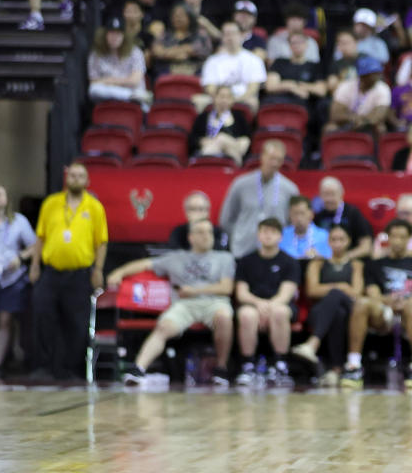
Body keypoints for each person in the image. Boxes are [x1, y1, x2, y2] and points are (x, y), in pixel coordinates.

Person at [108, 219, 234, 387]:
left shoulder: (224, 258)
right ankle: (138, 369)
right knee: (164, 326)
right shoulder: (176, 258)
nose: (207, 236)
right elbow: (145, 264)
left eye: (210, 232)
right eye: (201, 232)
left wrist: (194, 290)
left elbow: (226, 288)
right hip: (185, 305)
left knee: (224, 318)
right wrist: (119, 272)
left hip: (214, 302)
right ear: (191, 238)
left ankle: (221, 368)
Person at [29, 162, 108, 380]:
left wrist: (98, 270)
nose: (75, 179)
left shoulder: (94, 207)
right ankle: (42, 367)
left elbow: (101, 242)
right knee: (42, 316)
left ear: (87, 181)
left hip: (80, 273)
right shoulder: (51, 204)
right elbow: (40, 236)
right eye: (72, 175)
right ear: (66, 179)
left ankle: (72, 370)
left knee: (76, 323)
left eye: (80, 176)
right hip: (51, 272)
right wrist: (35, 265)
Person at [341, 219, 412, 390]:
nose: (397, 241)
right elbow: (373, 294)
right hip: (384, 309)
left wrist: (405, 303)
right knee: (361, 303)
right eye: (394, 236)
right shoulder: (375, 264)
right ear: (388, 238)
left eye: (402, 237)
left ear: (409, 239)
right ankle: (353, 365)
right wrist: (389, 301)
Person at [291, 225, 364, 386]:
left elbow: (356, 292)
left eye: (341, 239)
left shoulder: (356, 264)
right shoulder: (318, 263)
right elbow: (312, 290)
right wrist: (342, 287)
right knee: (337, 312)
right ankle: (336, 370)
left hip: (350, 309)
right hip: (320, 311)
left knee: (337, 299)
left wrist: (333, 289)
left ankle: (313, 344)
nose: (337, 243)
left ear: (348, 241)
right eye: (333, 239)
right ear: (328, 242)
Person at [234, 218, 300, 387]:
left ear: (280, 236)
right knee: (246, 314)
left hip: (279, 305)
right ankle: (247, 365)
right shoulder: (246, 261)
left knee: (280, 312)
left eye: (272, 232)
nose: (268, 235)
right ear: (258, 235)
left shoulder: (290, 262)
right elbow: (241, 293)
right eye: (264, 231)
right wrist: (258, 304)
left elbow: (286, 294)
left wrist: (269, 307)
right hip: (253, 304)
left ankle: (280, 365)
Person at [219, 140, 300, 258]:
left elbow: (292, 222)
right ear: (262, 157)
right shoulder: (241, 184)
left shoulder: (290, 189)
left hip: (277, 253)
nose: (274, 163)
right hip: (244, 250)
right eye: (272, 158)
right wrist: (239, 235)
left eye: (279, 160)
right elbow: (226, 219)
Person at [0, 186, 36, 379]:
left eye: (1, 194)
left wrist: (21, 257)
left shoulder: (18, 221)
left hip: (11, 278)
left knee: (5, 320)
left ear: (8, 199)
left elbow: (34, 246)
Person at [200, 21, 267, 112]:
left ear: (241, 35)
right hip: (218, 98)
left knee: (253, 102)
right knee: (198, 101)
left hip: (243, 98)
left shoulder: (254, 59)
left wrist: (233, 100)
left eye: (233, 33)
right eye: (226, 34)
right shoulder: (212, 60)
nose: (230, 37)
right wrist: (222, 99)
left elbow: (253, 88)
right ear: (222, 37)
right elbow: (210, 88)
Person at [87, 17, 150, 105]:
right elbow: (93, 82)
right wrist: (121, 82)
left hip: (133, 95)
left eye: (118, 33)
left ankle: (129, 96)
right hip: (109, 96)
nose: (114, 37)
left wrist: (107, 81)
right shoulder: (96, 54)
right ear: (104, 35)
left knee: (138, 93)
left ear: (124, 35)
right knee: (94, 90)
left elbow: (134, 81)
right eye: (111, 33)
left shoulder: (135, 52)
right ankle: (129, 96)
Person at [188, 86, 251, 166]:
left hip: (231, 151)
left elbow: (246, 139)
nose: (224, 100)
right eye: (221, 96)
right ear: (215, 98)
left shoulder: (239, 118)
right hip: (211, 149)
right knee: (219, 140)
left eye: (228, 97)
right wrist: (201, 141)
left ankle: (201, 160)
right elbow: (192, 139)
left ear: (232, 100)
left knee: (222, 138)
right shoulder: (203, 117)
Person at [326, 56, 391, 134]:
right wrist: (353, 119)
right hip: (348, 122)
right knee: (330, 128)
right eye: (373, 73)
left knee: (380, 128)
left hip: (369, 124)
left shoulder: (383, 88)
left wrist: (363, 121)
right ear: (362, 76)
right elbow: (335, 115)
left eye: (377, 73)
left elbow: (379, 116)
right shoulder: (346, 86)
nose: (377, 76)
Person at [313, 176, 373, 260]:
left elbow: (366, 246)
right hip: (323, 260)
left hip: (350, 260)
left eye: (332, 194)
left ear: (341, 194)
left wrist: (344, 258)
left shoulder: (353, 213)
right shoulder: (317, 216)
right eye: (326, 194)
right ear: (320, 195)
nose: (329, 199)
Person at [264, 30, 327, 109]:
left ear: (307, 44)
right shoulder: (279, 62)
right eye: (293, 42)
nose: (297, 45)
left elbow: (321, 90)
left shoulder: (315, 66)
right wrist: (292, 87)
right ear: (289, 45)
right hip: (278, 102)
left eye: (300, 42)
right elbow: (270, 86)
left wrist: (302, 86)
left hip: (302, 105)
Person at [150, 2, 212, 77]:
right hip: (167, 73)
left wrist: (166, 52)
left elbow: (200, 49)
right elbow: (156, 51)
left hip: (195, 73)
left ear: (190, 17)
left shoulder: (200, 34)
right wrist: (180, 53)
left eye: (181, 15)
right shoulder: (164, 35)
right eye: (175, 16)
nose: (177, 18)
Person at [280, 195, 331, 260]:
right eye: (295, 213)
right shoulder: (281, 235)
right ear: (290, 215)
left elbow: (330, 262)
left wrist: (319, 257)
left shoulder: (324, 236)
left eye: (302, 213)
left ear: (311, 214)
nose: (299, 218)